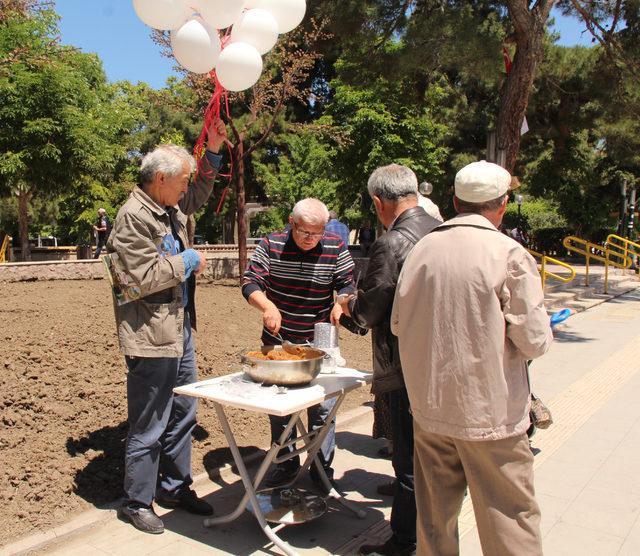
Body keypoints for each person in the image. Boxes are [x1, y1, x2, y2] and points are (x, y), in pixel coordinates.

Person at [391, 160, 552, 556]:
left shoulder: (422, 249)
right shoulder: (508, 253)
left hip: (430, 412)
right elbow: (534, 341)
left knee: (434, 523)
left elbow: (398, 323)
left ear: (455, 200)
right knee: (510, 521)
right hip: (490, 417)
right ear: (503, 204)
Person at [106, 119, 228, 535]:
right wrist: (188, 261)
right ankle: (136, 500)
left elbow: (195, 197)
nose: (185, 191)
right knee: (150, 420)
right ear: (160, 179)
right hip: (151, 334)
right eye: (181, 182)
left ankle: (175, 487)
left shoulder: (166, 206)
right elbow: (136, 281)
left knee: (182, 413)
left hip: (178, 329)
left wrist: (212, 154)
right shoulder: (131, 219)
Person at [339, 164, 441, 556]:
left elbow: (369, 311)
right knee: (431, 462)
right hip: (439, 364)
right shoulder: (440, 231)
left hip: (404, 367)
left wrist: (347, 305)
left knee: (409, 466)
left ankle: (403, 544)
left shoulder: (392, 242)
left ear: (379, 203)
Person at [242, 198, 355, 489]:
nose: (311, 239)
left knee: (322, 410)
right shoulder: (271, 244)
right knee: (281, 409)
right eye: (305, 232)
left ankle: (321, 468)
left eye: (317, 233)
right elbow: (250, 282)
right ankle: (284, 461)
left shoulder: (335, 246)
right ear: (291, 223)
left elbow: (347, 283)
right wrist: (267, 306)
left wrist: (341, 302)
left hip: (319, 343)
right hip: (279, 342)